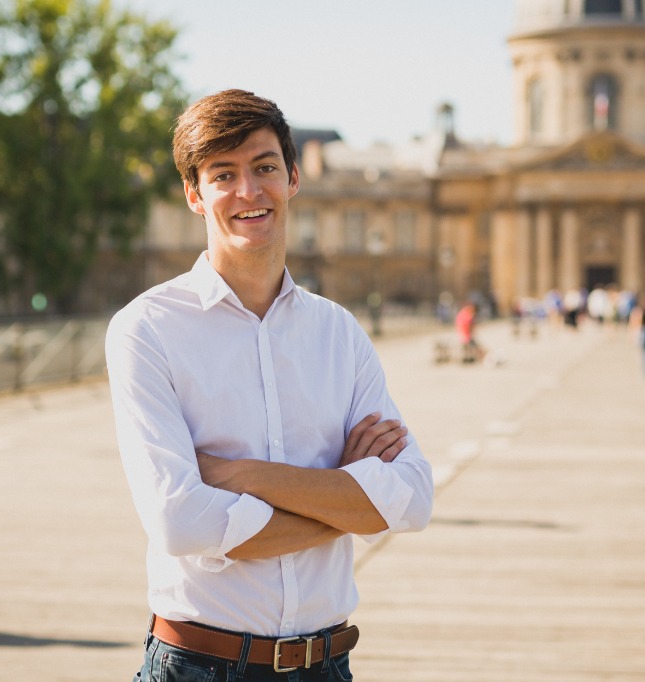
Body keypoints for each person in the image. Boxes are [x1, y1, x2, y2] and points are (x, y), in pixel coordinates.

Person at [105, 89, 434, 681]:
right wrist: (346, 504)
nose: (249, 193)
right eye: (223, 175)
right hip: (199, 666)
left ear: (294, 178)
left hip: (326, 666)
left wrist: (239, 476)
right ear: (194, 195)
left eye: (264, 168)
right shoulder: (145, 330)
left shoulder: (338, 332)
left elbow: (411, 497)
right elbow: (179, 522)